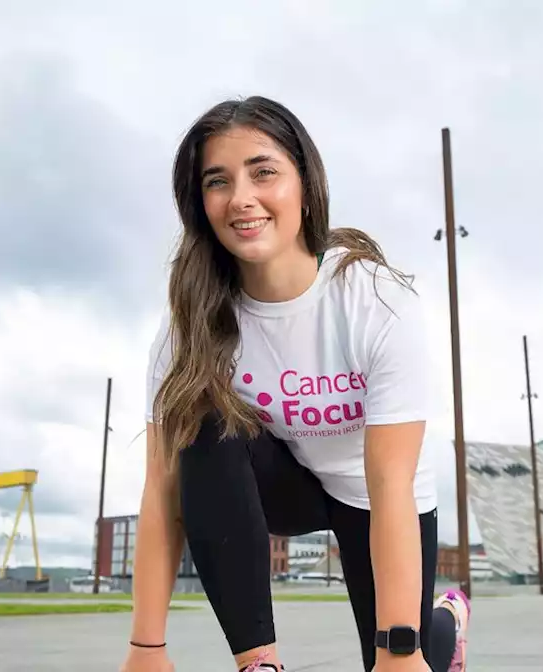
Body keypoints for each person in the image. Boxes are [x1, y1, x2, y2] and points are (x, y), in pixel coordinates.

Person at [120, 95, 472, 672]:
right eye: (217, 181)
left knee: (401, 655)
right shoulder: (190, 322)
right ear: (199, 202)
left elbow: (389, 483)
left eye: (263, 172)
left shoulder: (376, 300)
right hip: (288, 481)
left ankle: (443, 622)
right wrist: (145, 650)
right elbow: (162, 491)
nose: (241, 198)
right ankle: (259, 663)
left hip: (374, 495)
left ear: (304, 184)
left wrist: (400, 655)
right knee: (201, 420)